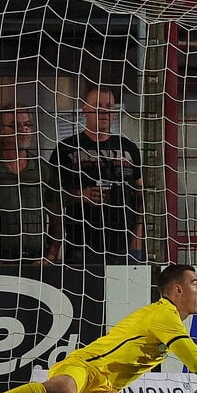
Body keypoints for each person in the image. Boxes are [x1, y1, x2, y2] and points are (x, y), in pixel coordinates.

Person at [0, 264, 197, 393]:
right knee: (64, 390)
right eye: (195, 284)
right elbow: (196, 364)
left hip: (106, 384)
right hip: (85, 367)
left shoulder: (171, 319)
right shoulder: (164, 314)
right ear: (177, 290)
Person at [51, 86, 144, 265]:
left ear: (115, 112)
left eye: (109, 106)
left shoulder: (128, 148)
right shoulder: (66, 148)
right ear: (85, 109)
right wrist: (80, 195)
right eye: (97, 105)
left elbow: (140, 193)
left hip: (124, 243)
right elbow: (51, 197)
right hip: (81, 242)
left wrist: (138, 235)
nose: (103, 111)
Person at [0, 104, 62, 265]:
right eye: (15, 125)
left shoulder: (43, 170)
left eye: (27, 125)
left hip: (37, 262)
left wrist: (50, 257)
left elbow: (57, 218)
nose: (23, 130)